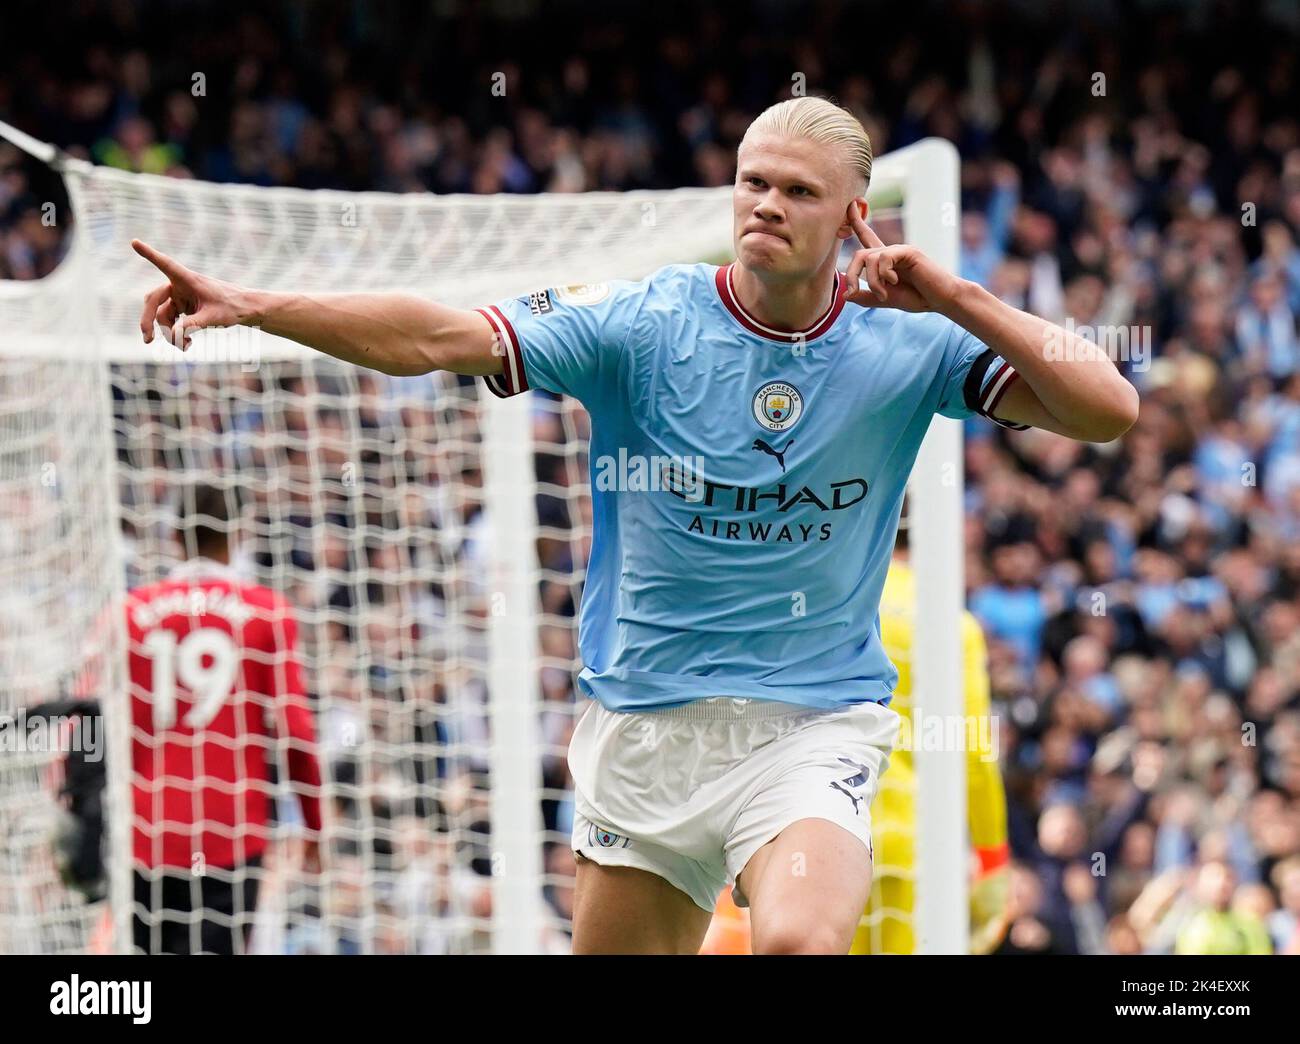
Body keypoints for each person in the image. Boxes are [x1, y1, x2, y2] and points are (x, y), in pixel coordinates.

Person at [130, 96, 1137, 954]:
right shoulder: (641, 321)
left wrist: (955, 296)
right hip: (644, 728)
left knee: (797, 939)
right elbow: (437, 335)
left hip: (807, 726)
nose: (764, 205)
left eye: (795, 191)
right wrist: (257, 305)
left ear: (852, 219)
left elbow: (1107, 409)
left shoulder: (906, 347)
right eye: (752, 181)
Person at [127, 483, 323, 954]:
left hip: (145, 834)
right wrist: (314, 824)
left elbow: (90, 719)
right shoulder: (265, 613)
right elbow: (294, 730)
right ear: (237, 536)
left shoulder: (130, 613)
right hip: (229, 833)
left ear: (174, 537)